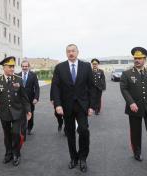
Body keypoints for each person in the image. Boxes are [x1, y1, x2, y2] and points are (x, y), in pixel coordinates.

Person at [51, 44, 95, 173]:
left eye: (73, 51)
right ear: (66, 53)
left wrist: (92, 106)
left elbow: (92, 87)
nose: (71, 53)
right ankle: (74, 158)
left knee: (83, 130)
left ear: (78, 52)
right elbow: (55, 87)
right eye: (68, 51)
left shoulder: (86, 66)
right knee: (70, 133)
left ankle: (82, 158)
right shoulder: (60, 68)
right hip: (66, 106)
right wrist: (57, 105)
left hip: (82, 106)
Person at [120, 47, 147, 168]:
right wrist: (131, 103)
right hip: (134, 108)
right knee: (136, 132)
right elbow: (124, 89)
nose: (137, 60)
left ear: (145, 59)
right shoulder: (127, 74)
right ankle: (137, 152)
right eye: (135, 58)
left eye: (139, 58)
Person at [0, 56, 32, 166]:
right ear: (4, 67)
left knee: (16, 133)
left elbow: (24, 97)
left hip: (17, 112)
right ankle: (8, 153)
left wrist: (28, 110)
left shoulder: (18, 79)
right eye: (10, 67)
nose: (12, 69)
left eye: (13, 66)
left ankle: (16, 153)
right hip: (4, 113)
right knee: (7, 135)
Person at [17, 60, 40, 139]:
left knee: (30, 113)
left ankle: (29, 127)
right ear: (21, 67)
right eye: (23, 66)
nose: (24, 68)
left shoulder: (33, 75)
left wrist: (36, 98)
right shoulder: (18, 75)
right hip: (20, 99)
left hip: (30, 99)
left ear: (28, 67)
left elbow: (37, 87)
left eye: (26, 66)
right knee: (20, 114)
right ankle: (22, 128)